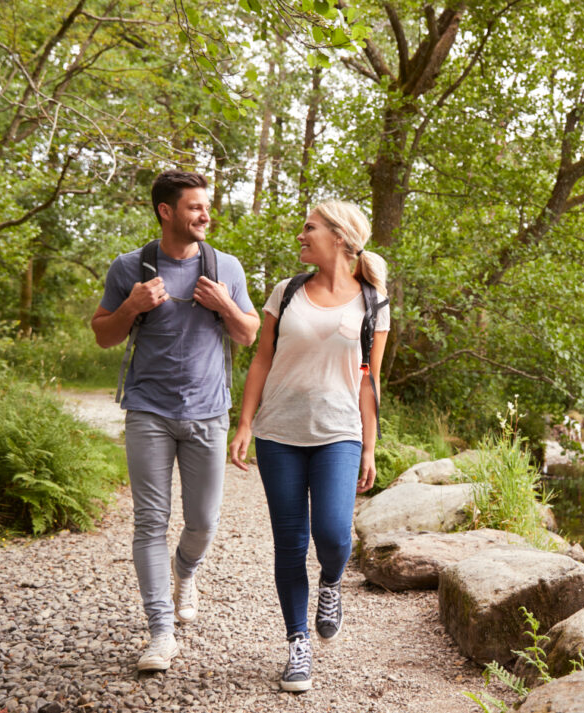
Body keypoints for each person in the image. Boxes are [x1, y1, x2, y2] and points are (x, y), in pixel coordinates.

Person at [91, 170, 260, 672]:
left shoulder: (225, 265)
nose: (206, 215)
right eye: (195, 207)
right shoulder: (130, 267)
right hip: (148, 411)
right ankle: (160, 633)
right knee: (149, 521)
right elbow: (103, 335)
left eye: (206, 206)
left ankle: (186, 570)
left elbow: (249, 335)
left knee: (203, 522)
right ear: (166, 211)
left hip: (209, 413)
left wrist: (225, 303)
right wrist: (131, 305)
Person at [228, 200, 389, 692]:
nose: (300, 235)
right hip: (279, 433)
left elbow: (370, 381)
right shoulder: (287, 291)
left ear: (340, 238)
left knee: (335, 535)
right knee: (291, 543)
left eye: (309, 228)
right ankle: (297, 643)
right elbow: (261, 360)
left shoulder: (373, 301)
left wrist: (369, 446)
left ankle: (331, 584)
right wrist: (246, 422)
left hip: (339, 432)